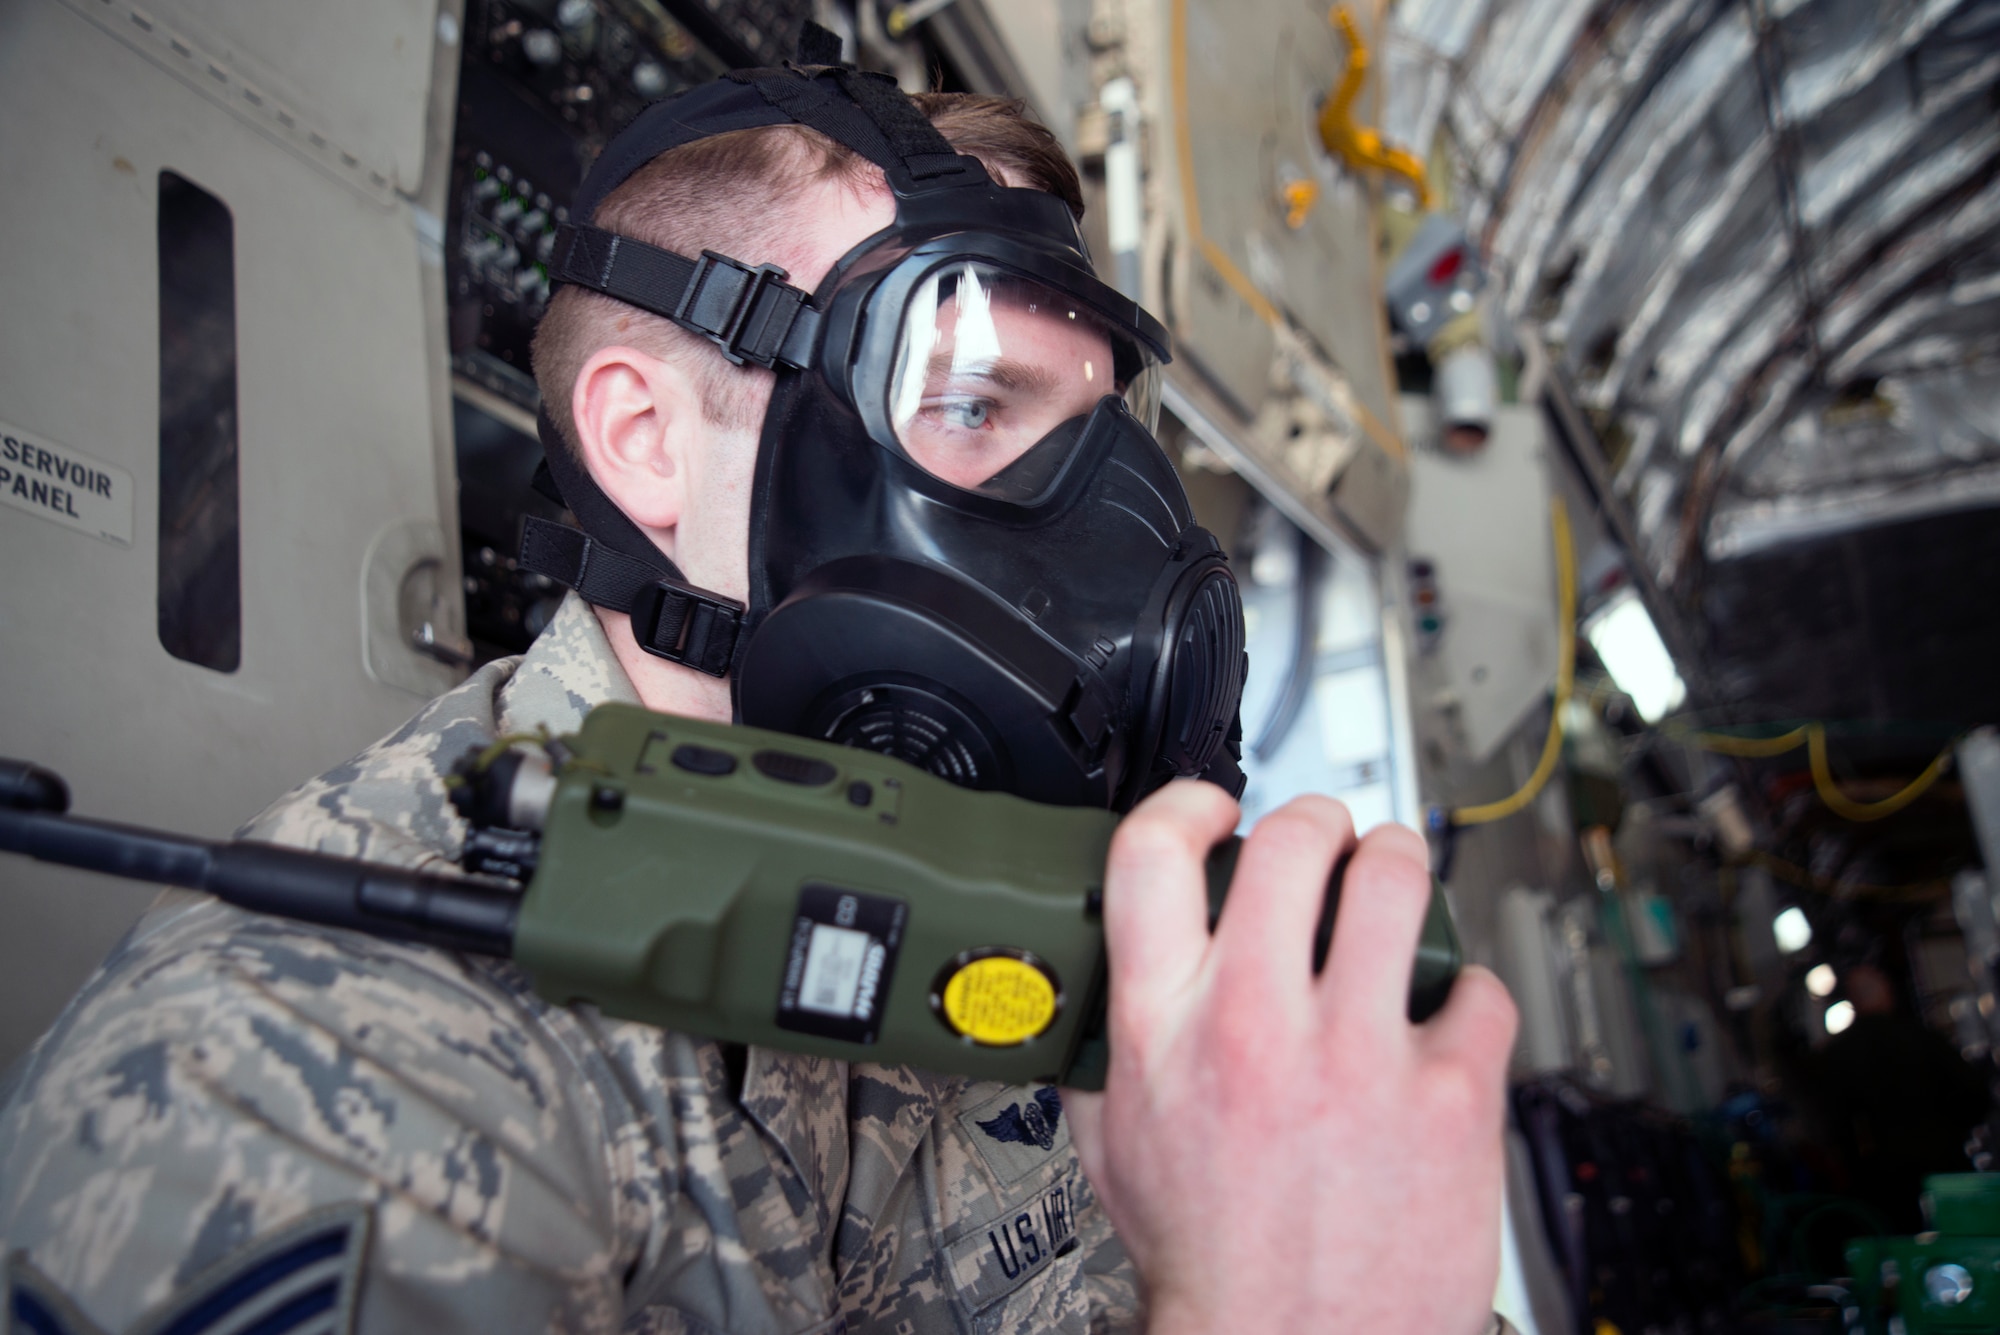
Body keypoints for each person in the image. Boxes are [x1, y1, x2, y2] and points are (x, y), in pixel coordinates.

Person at [0, 50, 1518, 1335]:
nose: (1102, 525)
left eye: (1099, 433)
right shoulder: (311, 1071)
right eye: (975, 404)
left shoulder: (1039, 902)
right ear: (645, 442)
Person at [1815, 962, 1990, 1233]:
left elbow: (1835, 1127)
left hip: (1883, 1178)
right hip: (1943, 1162)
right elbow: (1974, 1094)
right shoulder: (1922, 1038)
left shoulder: (1838, 1055)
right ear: (1886, 993)